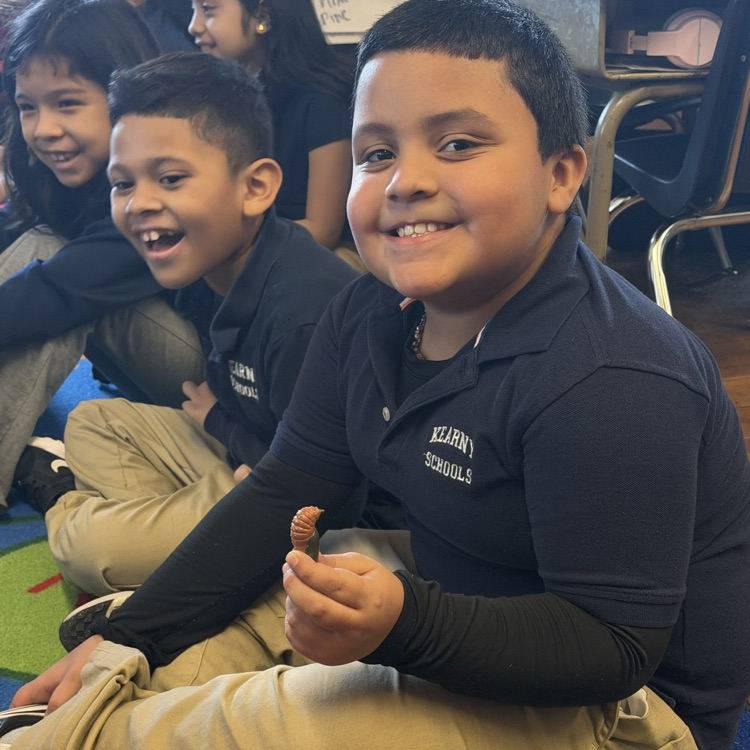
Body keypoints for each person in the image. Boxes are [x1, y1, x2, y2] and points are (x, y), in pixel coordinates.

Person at [6, 1, 750, 749]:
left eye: (457, 144)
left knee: (229, 723)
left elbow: (611, 646)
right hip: (454, 599)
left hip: (628, 712)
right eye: (376, 153)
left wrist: (403, 625)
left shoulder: (611, 376)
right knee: (172, 656)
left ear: (561, 175)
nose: (405, 180)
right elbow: (287, 488)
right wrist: (133, 636)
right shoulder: (368, 312)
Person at [14, 51, 361, 596]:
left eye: (171, 178)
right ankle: (185, 557)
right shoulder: (207, 262)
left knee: (89, 548)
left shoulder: (301, 315)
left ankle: (74, 507)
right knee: (92, 422)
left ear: (255, 187)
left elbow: (329, 494)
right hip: (244, 453)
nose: (139, 204)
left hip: (306, 506)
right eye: (122, 184)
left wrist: (221, 423)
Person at [0, 0, 206, 509]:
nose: (44, 128)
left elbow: (53, 292)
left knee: (48, 276)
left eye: (67, 103)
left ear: (124, 96)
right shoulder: (65, 172)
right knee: (41, 252)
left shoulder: (156, 188)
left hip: (213, 384)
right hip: (144, 366)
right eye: (28, 107)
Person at [188, 0, 355, 252]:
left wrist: (227, 238)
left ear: (262, 15)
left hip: (309, 253)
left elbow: (323, 230)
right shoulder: (223, 98)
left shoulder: (321, 102)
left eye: (208, 9)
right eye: (193, 11)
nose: (194, 26)